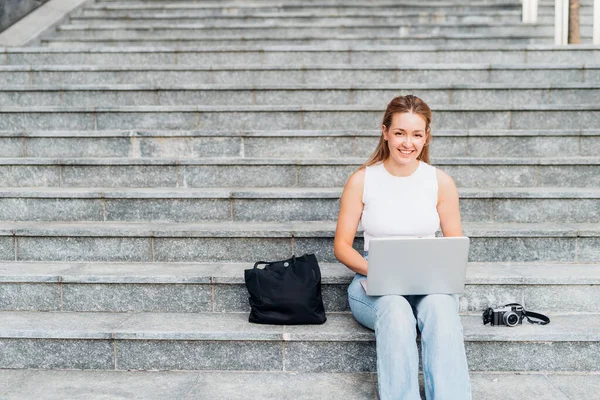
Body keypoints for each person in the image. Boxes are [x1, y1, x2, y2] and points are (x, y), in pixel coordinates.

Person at [333, 95, 472, 400]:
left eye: (416, 134)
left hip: (428, 278)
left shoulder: (440, 182)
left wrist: (434, 276)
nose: (407, 143)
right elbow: (342, 247)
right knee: (395, 310)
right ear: (385, 132)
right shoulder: (361, 180)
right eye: (400, 133)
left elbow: (455, 247)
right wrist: (380, 272)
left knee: (441, 309)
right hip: (372, 276)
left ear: (426, 138)